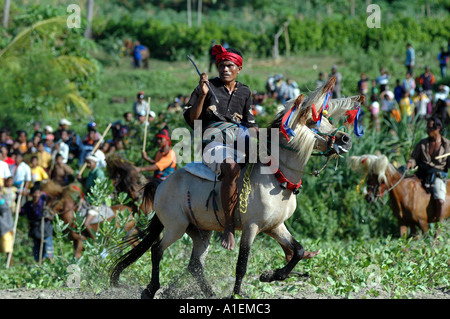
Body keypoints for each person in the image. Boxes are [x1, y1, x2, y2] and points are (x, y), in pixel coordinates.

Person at [183, 44, 258, 250]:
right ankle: (229, 227)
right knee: (231, 167)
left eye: (230, 66)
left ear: (239, 69)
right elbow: (193, 120)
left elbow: (251, 125)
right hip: (213, 143)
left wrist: (267, 142)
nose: (225, 69)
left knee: (269, 164)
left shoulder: (245, 91)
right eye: (222, 65)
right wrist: (202, 94)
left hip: (240, 142)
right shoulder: (207, 87)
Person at [406, 117, 450, 227]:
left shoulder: (447, 145)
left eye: (431, 128)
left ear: (438, 128)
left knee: (440, 199)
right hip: (421, 172)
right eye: (427, 128)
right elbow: (414, 159)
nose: (428, 130)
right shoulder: (422, 144)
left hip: (437, 174)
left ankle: (439, 226)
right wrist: (410, 163)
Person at [20, 182, 54, 262]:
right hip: (35, 229)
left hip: (45, 228)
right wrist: (20, 197)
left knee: (48, 249)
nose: (36, 195)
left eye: (38, 193)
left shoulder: (44, 202)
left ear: (41, 193)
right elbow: (21, 211)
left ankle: (49, 261)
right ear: (31, 194)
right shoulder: (29, 205)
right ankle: (38, 263)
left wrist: (49, 215)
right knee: (37, 250)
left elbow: (51, 213)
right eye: (34, 193)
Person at [76, 154, 105, 239]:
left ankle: (95, 241)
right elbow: (86, 185)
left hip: (96, 202)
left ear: (95, 163)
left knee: (86, 223)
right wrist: (81, 180)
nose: (87, 165)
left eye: (89, 163)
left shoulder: (98, 173)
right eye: (86, 162)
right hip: (88, 200)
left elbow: (98, 188)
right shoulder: (90, 173)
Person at [0, 187, 14, 266]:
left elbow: (4, 209)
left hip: (5, 227)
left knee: (7, 248)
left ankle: (9, 266)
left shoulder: (3, 199)